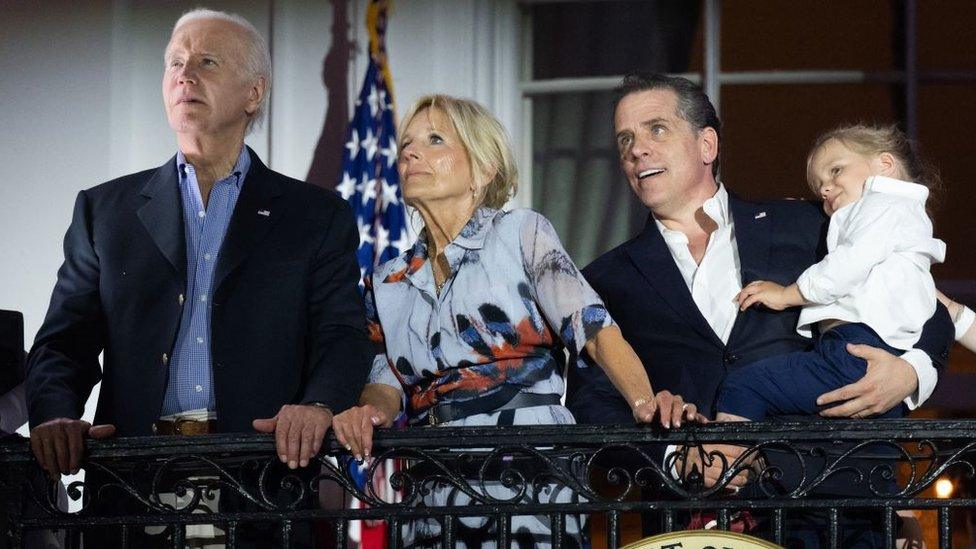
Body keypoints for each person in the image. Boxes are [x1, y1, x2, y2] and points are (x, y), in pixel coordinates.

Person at [565, 72, 957, 545]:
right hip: (695, 527)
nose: (636, 149)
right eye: (625, 138)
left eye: (657, 130)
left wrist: (912, 372)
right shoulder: (604, 278)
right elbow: (591, 404)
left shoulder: (808, 225)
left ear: (707, 144)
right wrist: (673, 457)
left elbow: (923, 301)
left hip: (833, 513)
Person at [331, 94, 701, 548]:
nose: (410, 152)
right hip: (432, 480)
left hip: (527, 470)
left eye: (434, 140)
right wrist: (370, 411)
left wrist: (645, 403)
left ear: (484, 169)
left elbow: (594, 331)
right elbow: (385, 378)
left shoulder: (521, 233)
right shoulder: (387, 279)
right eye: (407, 143)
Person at [26, 7, 369, 484]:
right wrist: (53, 415)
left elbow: (343, 335)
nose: (185, 74)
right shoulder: (103, 211)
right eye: (175, 63)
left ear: (254, 94)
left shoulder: (316, 215)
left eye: (207, 62)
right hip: (132, 480)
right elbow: (63, 343)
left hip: (264, 479)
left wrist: (318, 405)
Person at [716, 124, 946, 422]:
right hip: (875, 354)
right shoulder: (900, 216)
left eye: (836, 171)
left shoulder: (884, 204)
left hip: (854, 350)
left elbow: (850, 262)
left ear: (885, 165)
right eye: (819, 187)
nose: (825, 189)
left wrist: (788, 294)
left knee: (743, 387)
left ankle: (725, 467)